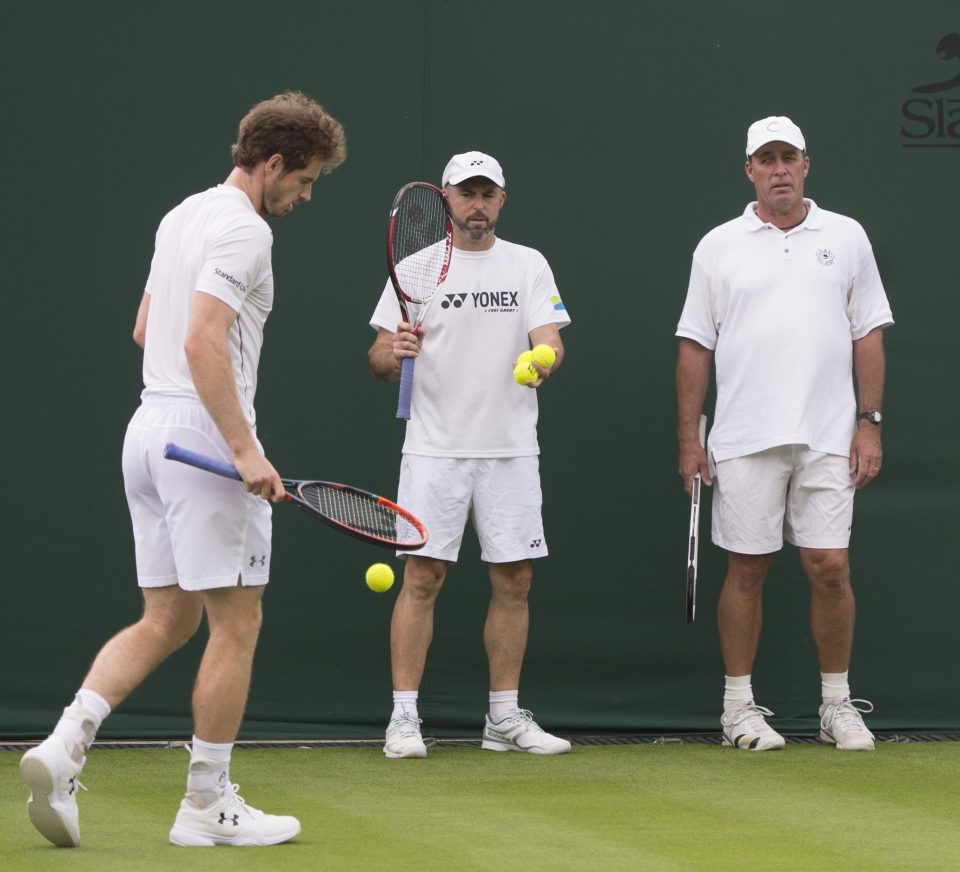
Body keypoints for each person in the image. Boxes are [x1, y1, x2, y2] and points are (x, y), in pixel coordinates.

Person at [20, 91, 346, 846]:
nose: (303, 197)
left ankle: (66, 744)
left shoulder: (181, 215)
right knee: (237, 621)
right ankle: (207, 805)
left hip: (148, 431)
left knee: (168, 616)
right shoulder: (245, 232)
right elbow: (203, 342)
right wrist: (243, 449)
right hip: (201, 437)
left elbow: (146, 328)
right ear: (272, 163)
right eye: (303, 181)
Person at [675, 116, 893, 752]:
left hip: (829, 434)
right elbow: (695, 346)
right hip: (743, 436)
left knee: (829, 566)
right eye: (765, 159)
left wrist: (869, 422)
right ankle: (738, 709)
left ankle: (835, 705)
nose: (778, 169)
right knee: (747, 569)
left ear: (805, 164)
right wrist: (690, 439)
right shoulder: (717, 246)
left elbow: (868, 332)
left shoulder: (847, 237)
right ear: (749, 170)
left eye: (788, 158)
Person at [368, 151, 571, 758]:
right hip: (434, 450)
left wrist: (543, 363)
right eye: (465, 193)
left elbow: (551, 341)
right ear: (447, 199)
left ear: (502, 200)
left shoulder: (528, 265)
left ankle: (503, 718)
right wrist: (395, 349)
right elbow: (378, 357)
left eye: (487, 193)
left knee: (515, 578)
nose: (476, 204)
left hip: (510, 451)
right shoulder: (416, 267)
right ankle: (404, 719)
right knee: (422, 577)